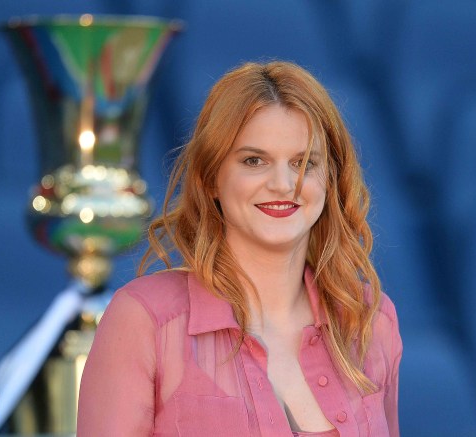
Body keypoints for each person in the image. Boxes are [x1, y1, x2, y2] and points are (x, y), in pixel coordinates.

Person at [77, 61, 402, 436]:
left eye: (303, 163)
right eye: (254, 161)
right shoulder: (144, 319)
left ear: (330, 179)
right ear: (211, 178)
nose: (283, 184)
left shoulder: (370, 320)